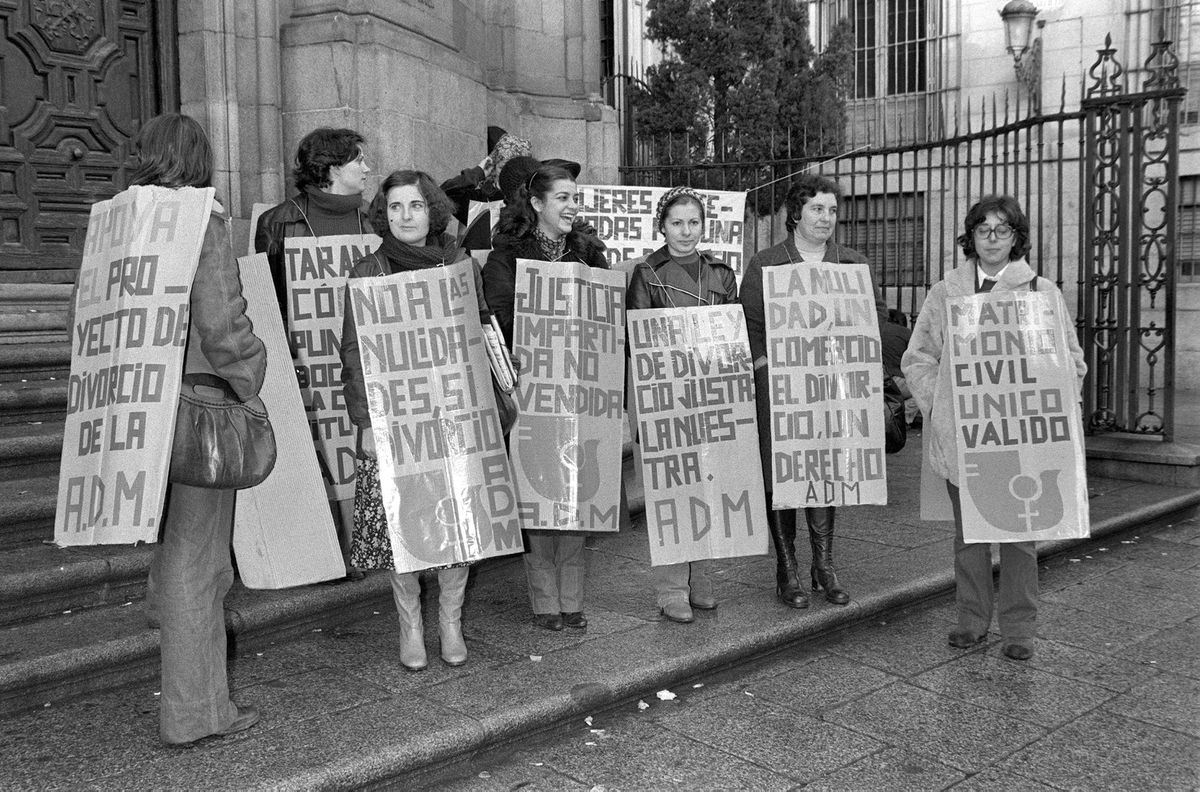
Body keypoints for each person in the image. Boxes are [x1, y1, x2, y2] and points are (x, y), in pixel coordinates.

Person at [901, 195, 1086, 661]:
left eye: (1002, 230)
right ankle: (972, 620)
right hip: (965, 439)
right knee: (970, 537)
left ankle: (1019, 627)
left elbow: (1072, 361)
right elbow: (918, 358)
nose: (992, 238)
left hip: (1020, 440)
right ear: (971, 236)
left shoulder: (1040, 293)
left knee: (1021, 538)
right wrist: (941, 406)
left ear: (1016, 237)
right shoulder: (947, 293)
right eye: (983, 229)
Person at [135, 114, 267, 745]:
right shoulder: (200, 222)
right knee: (199, 558)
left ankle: (193, 688)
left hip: (134, 404)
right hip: (196, 406)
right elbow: (222, 323)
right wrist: (253, 377)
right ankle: (195, 712)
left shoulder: (116, 221)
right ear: (198, 160)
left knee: (171, 554)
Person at [340, 170, 491, 671]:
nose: (405, 216)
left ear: (433, 211)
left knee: (458, 518)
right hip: (392, 420)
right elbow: (353, 353)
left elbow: (480, 328)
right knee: (398, 521)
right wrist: (363, 422)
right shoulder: (367, 272)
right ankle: (409, 624)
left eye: (415, 206)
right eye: (395, 207)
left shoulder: (458, 263)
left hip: (451, 415)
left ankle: (450, 619)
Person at [739, 174, 887, 609]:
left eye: (833, 210)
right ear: (796, 213)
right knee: (783, 470)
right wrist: (763, 363)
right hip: (782, 388)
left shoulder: (851, 263)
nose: (827, 218)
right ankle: (787, 568)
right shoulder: (766, 264)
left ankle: (824, 565)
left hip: (834, 388)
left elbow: (873, 318)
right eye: (818, 208)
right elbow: (747, 322)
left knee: (825, 468)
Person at [482, 158, 608, 631]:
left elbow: (605, 314)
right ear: (536, 203)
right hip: (532, 387)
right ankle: (544, 601)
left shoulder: (590, 253)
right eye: (563, 197)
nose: (573, 206)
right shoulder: (506, 256)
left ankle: (572, 599)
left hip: (579, 387)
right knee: (537, 492)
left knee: (577, 491)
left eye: (576, 197)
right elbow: (497, 315)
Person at [253, 127, 373, 580]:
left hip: (356, 361)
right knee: (322, 450)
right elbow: (266, 300)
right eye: (358, 160)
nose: (366, 168)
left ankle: (362, 544)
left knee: (357, 446)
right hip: (305, 364)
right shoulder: (279, 222)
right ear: (331, 168)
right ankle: (327, 548)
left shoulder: (374, 222)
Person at [626, 186, 737, 624]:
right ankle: (672, 589)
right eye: (676, 223)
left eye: (693, 222)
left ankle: (701, 580)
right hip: (665, 399)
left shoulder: (722, 275)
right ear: (662, 226)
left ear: (703, 226)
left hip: (710, 395)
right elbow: (638, 340)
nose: (685, 231)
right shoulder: (647, 274)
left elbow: (733, 337)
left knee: (708, 485)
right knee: (670, 492)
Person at [440, 126, 531, 251]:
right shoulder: (479, 199)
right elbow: (444, 193)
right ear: (494, 167)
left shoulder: (531, 201)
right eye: (502, 167)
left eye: (514, 169)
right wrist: (478, 172)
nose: (507, 174)